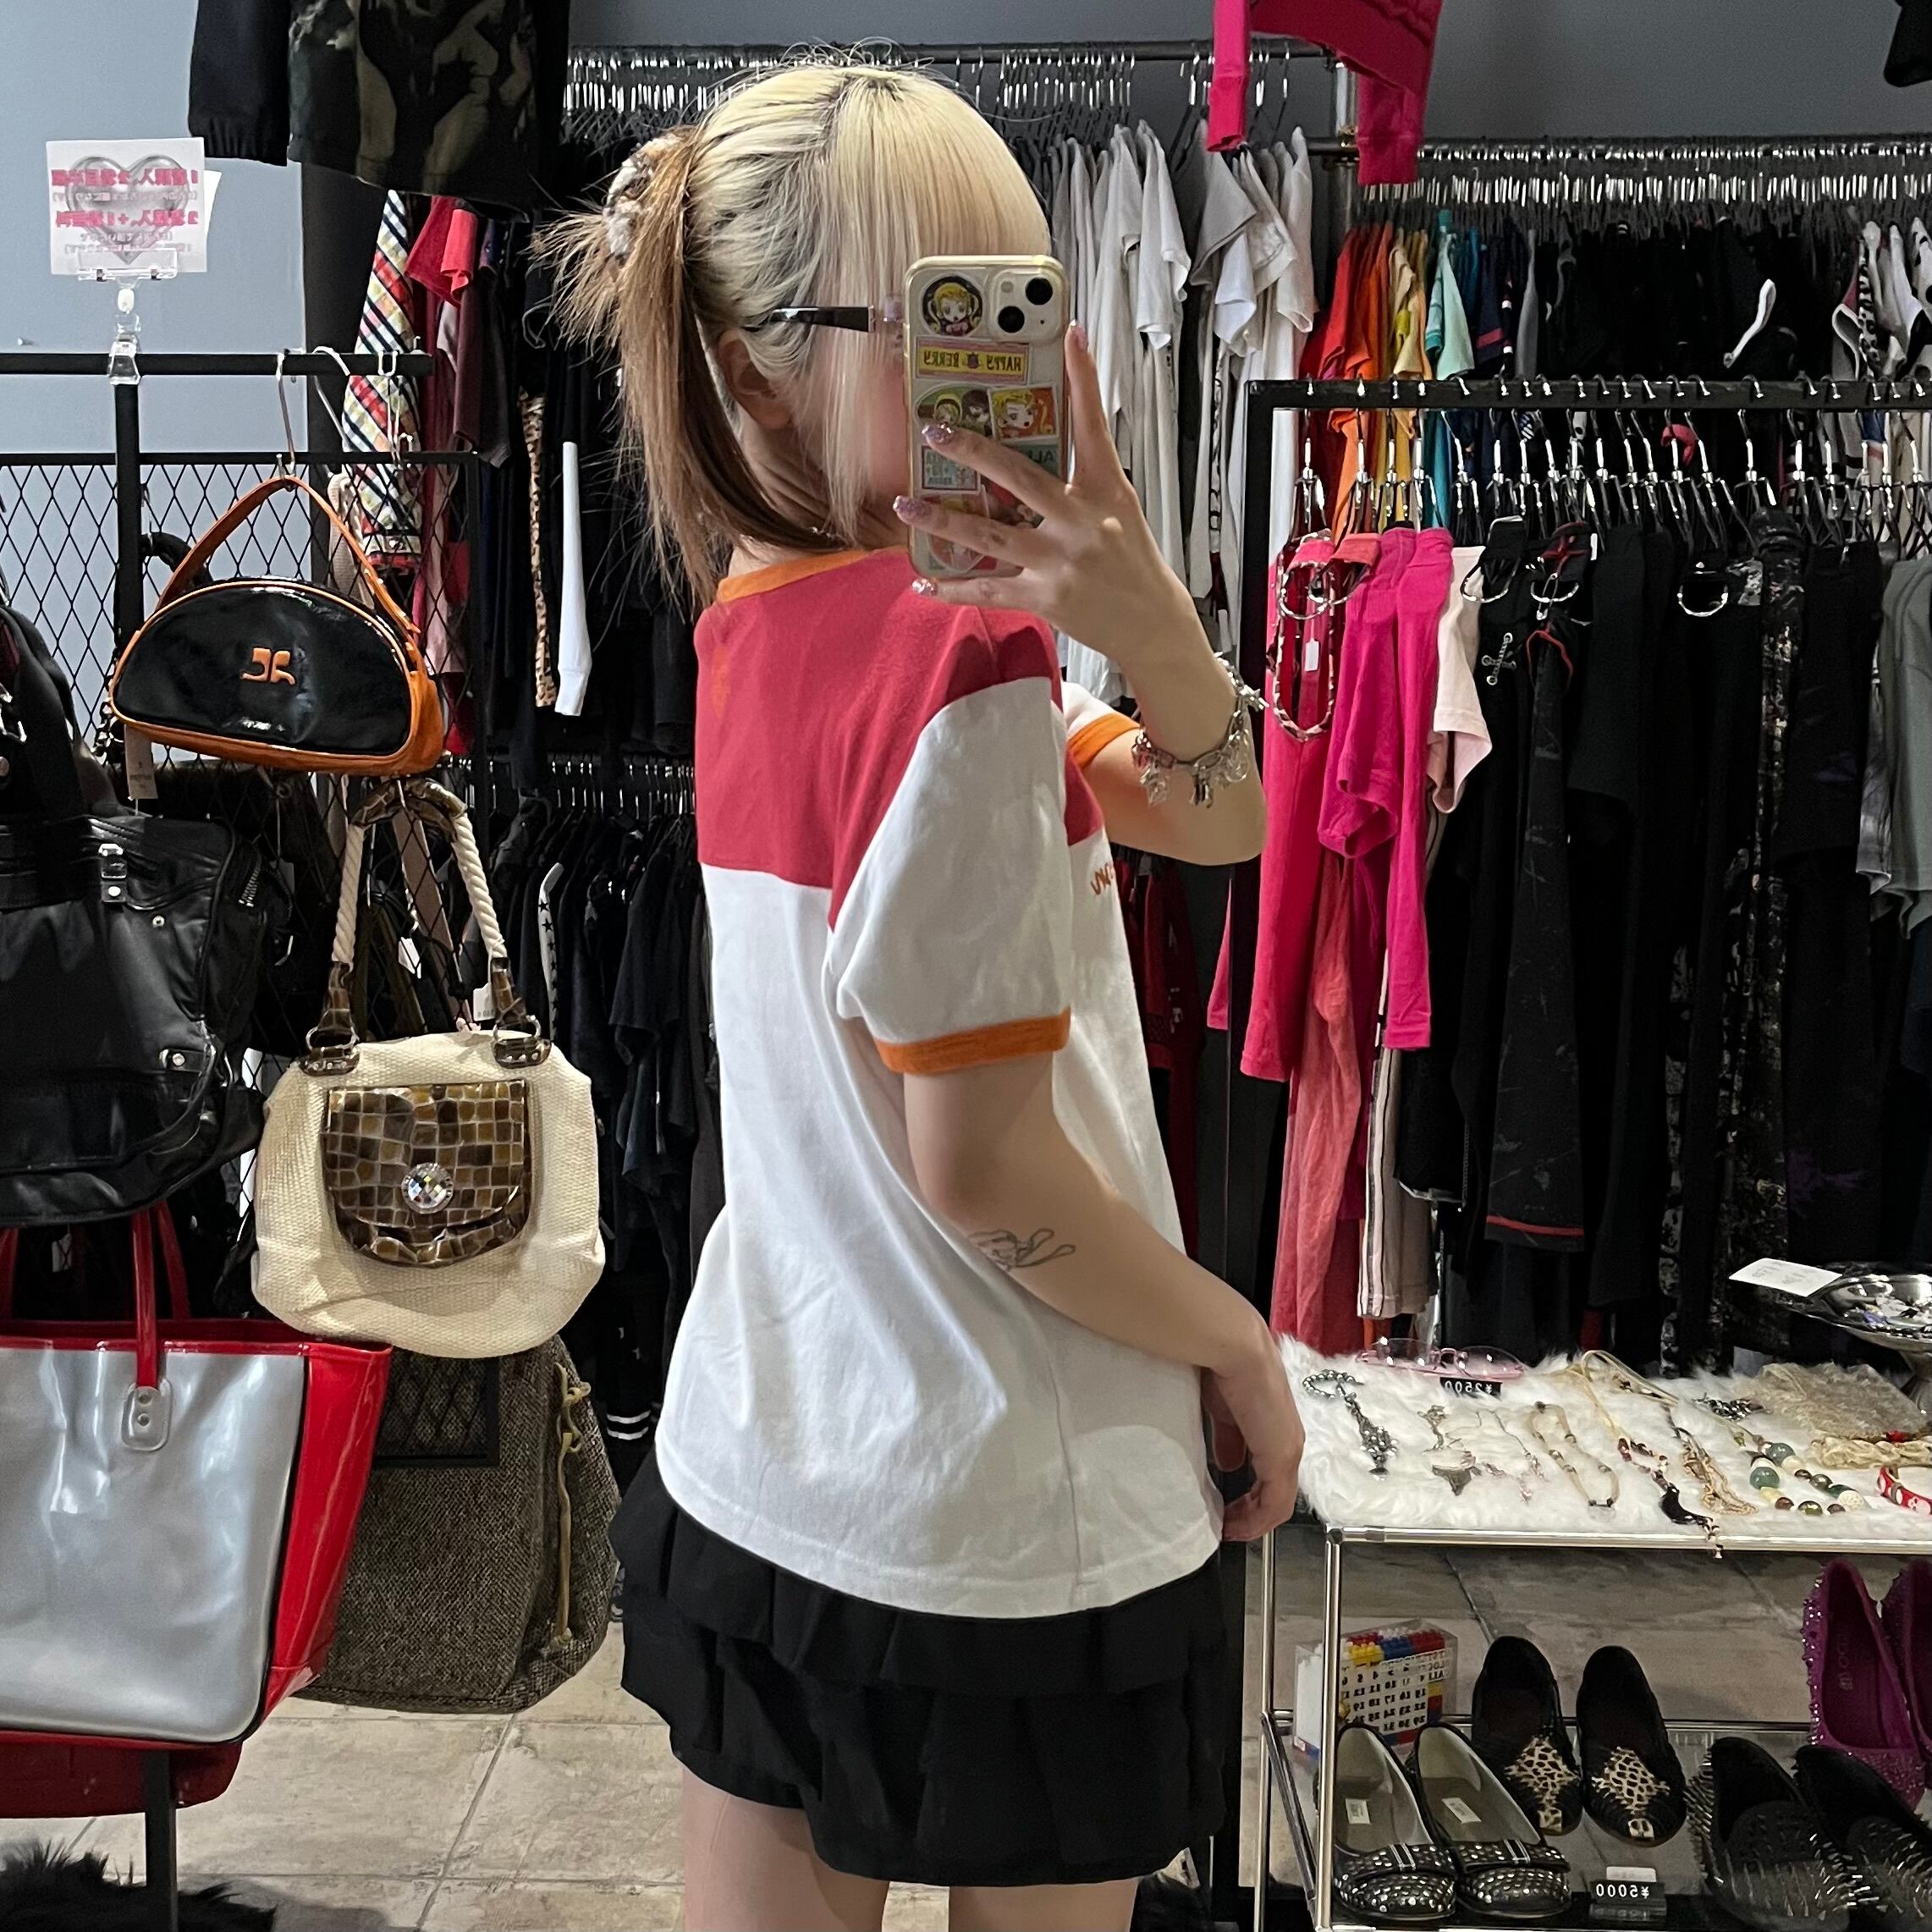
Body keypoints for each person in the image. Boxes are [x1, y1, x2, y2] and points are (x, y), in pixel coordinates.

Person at [543, 60, 1303, 1932]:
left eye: (1017, 304)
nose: (1007, 371)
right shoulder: (958, 661)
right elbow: (986, 1173)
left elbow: (1217, 809)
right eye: (940, 319)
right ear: (755, 374)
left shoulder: (757, 615)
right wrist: (1234, 1336)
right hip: (1008, 1497)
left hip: (780, 1448)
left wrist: (1149, 625)